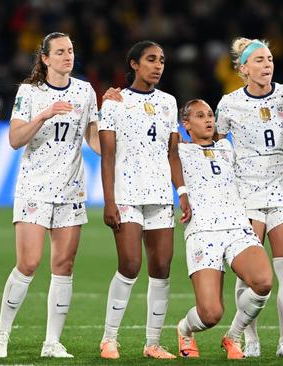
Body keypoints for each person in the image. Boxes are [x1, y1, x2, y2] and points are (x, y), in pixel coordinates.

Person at [0, 32, 100, 359]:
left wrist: (114, 145)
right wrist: (44, 114)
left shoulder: (85, 91)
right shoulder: (30, 92)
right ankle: (1, 334)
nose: (68, 56)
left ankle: (52, 342)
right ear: (46, 59)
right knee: (29, 262)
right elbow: (14, 139)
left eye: (71, 51)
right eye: (61, 52)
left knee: (64, 265)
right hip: (35, 187)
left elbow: (93, 137)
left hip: (71, 189)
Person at [98, 40, 190, 360]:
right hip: (126, 194)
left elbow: (173, 153)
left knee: (162, 267)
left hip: (160, 195)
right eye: (151, 60)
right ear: (134, 64)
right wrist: (109, 201)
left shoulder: (168, 102)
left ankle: (152, 343)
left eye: (162, 60)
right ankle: (109, 338)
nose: (158, 66)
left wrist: (182, 192)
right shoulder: (114, 103)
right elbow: (107, 157)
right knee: (130, 264)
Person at [215, 37, 283, 358]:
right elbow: (216, 147)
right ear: (243, 69)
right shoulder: (228, 104)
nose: (267, 65)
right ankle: (248, 339)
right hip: (246, 194)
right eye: (259, 61)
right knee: (250, 273)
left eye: (269, 59)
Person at [175, 99, 272, 360]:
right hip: (203, 232)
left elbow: (253, 168)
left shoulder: (227, 147)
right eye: (199, 116)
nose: (208, 120)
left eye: (210, 115)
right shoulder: (179, 152)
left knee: (263, 282)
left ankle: (234, 335)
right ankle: (184, 329)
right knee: (210, 314)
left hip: (237, 227)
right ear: (186, 125)